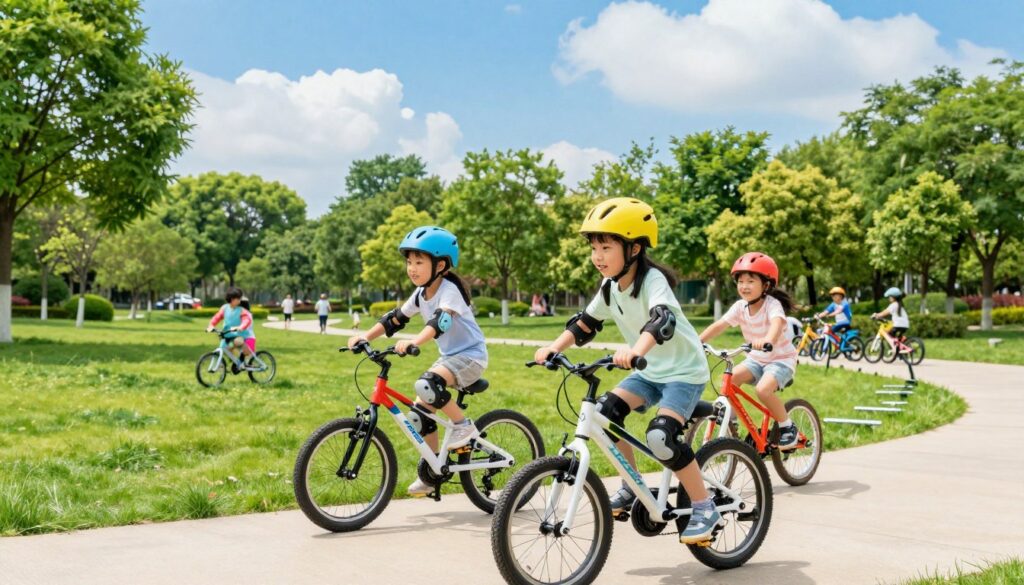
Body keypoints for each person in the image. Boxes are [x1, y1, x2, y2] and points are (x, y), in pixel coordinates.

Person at [532, 197, 718, 545]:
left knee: (661, 438)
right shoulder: (609, 287)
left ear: (633, 248)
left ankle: (704, 505)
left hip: (682, 371)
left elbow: (661, 319)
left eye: (606, 246)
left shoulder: (652, 281)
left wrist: (635, 350)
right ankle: (633, 487)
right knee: (605, 412)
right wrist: (554, 348)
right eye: (594, 248)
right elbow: (585, 323)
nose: (597, 256)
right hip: (649, 371)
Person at [347, 226, 487, 497]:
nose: (412, 268)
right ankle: (433, 470)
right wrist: (365, 336)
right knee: (419, 414)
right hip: (450, 358)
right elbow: (395, 319)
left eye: (419, 262)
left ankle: (463, 426)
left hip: (471, 356)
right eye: (409, 262)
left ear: (441, 264)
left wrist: (415, 342)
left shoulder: (449, 291)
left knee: (427, 384)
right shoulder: (420, 293)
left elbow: (440, 322)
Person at [699, 252, 801, 450]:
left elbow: (777, 323)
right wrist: (698, 341)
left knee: (763, 390)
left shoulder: (772, 305)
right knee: (730, 378)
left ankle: (787, 427)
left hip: (780, 359)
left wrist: (768, 340)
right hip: (756, 359)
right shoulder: (740, 307)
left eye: (750, 281)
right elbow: (720, 325)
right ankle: (733, 421)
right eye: (741, 281)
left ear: (766, 285)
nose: (744, 286)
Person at [206, 287, 256, 365]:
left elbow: (246, 320)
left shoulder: (241, 310)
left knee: (237, 342)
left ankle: (241, 359)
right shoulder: (225, 308)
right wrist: (211, 325)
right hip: (229, 335)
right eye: (238, 298)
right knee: (226, 348)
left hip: (242, 336)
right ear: (232, 299)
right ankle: (236, 363)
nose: (240, 301)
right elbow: (217, 317)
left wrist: (240, 327)